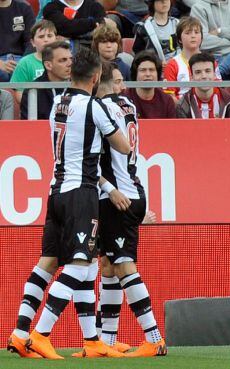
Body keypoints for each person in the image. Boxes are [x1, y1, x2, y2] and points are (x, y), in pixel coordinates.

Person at [16, 48, 131, 360]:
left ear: (71, 74)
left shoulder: (57, 103)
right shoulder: (93, 106)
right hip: (81, 192)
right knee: (80, 264)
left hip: (55, 191)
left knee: (51, 262)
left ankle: (23, 331)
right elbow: (124, 144)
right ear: (95, 78)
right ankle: (41, 334)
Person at [93, 62, 168, 358]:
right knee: (109, 267)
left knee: (123, 266)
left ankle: (154, 338)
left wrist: (108, 188)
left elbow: (96, 153)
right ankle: (107, 343)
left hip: (118, 196)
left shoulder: (100, 109)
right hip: (133, 189)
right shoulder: (127, 105)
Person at [165, 17, 218, 100]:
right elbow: (170, 97)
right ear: (179, 39)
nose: (193, 36)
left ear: (201, 37)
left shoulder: (211, 61)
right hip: (182, 109)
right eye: (188, 33)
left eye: (196, 32)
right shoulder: (172, 64)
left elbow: (218, 89)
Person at [20, 41, 71, 120]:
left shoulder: (79, 86)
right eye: (63, 60)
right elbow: (28, 128)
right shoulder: (33, 91)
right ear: (48, 65)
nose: (70, 63)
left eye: (71, 59)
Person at [176, 52, 230, 118]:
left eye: (207, 71)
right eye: (198, 72)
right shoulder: (183, 103)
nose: (204, 76)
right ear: (191, 77)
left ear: (214, 74)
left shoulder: (228, 100)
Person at [10, 20, 57, 103]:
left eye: (49, 36)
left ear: (56, 39)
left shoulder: (65, 61)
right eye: (41, 37)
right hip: (34, 111)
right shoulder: (24, 63)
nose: (46, 40)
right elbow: (19, 94)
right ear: (33, 42)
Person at [126, 51, 177, 118]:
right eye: (143, 70)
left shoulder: (167, 101)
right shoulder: (124, 99)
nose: (148, 74)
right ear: (136, 74)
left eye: (151, 70)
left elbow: (172, 127)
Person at [42, 0, 109, 50]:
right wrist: (94, 23)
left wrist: (70, 36)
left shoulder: (95, 6)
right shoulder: (51, 8)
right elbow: (67, 27)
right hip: (63, 53)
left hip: (92, 52)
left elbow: (103, 31)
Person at [0, 0, 35, 82]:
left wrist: (23, 63)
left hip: (21, 59)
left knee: (25, 74)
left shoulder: (24, 7)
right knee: (3, 76)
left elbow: (31, 41)